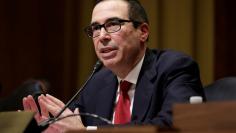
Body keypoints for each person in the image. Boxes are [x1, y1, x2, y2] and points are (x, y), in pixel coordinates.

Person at [22, 0, 206, 132]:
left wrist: (87, 132)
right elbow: (71, 124)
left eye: (113, 25)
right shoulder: (97, 81)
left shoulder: (174, 67)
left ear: (142, 32)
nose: (102, 36)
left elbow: (175, 126)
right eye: (95, 28)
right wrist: (53, 127)